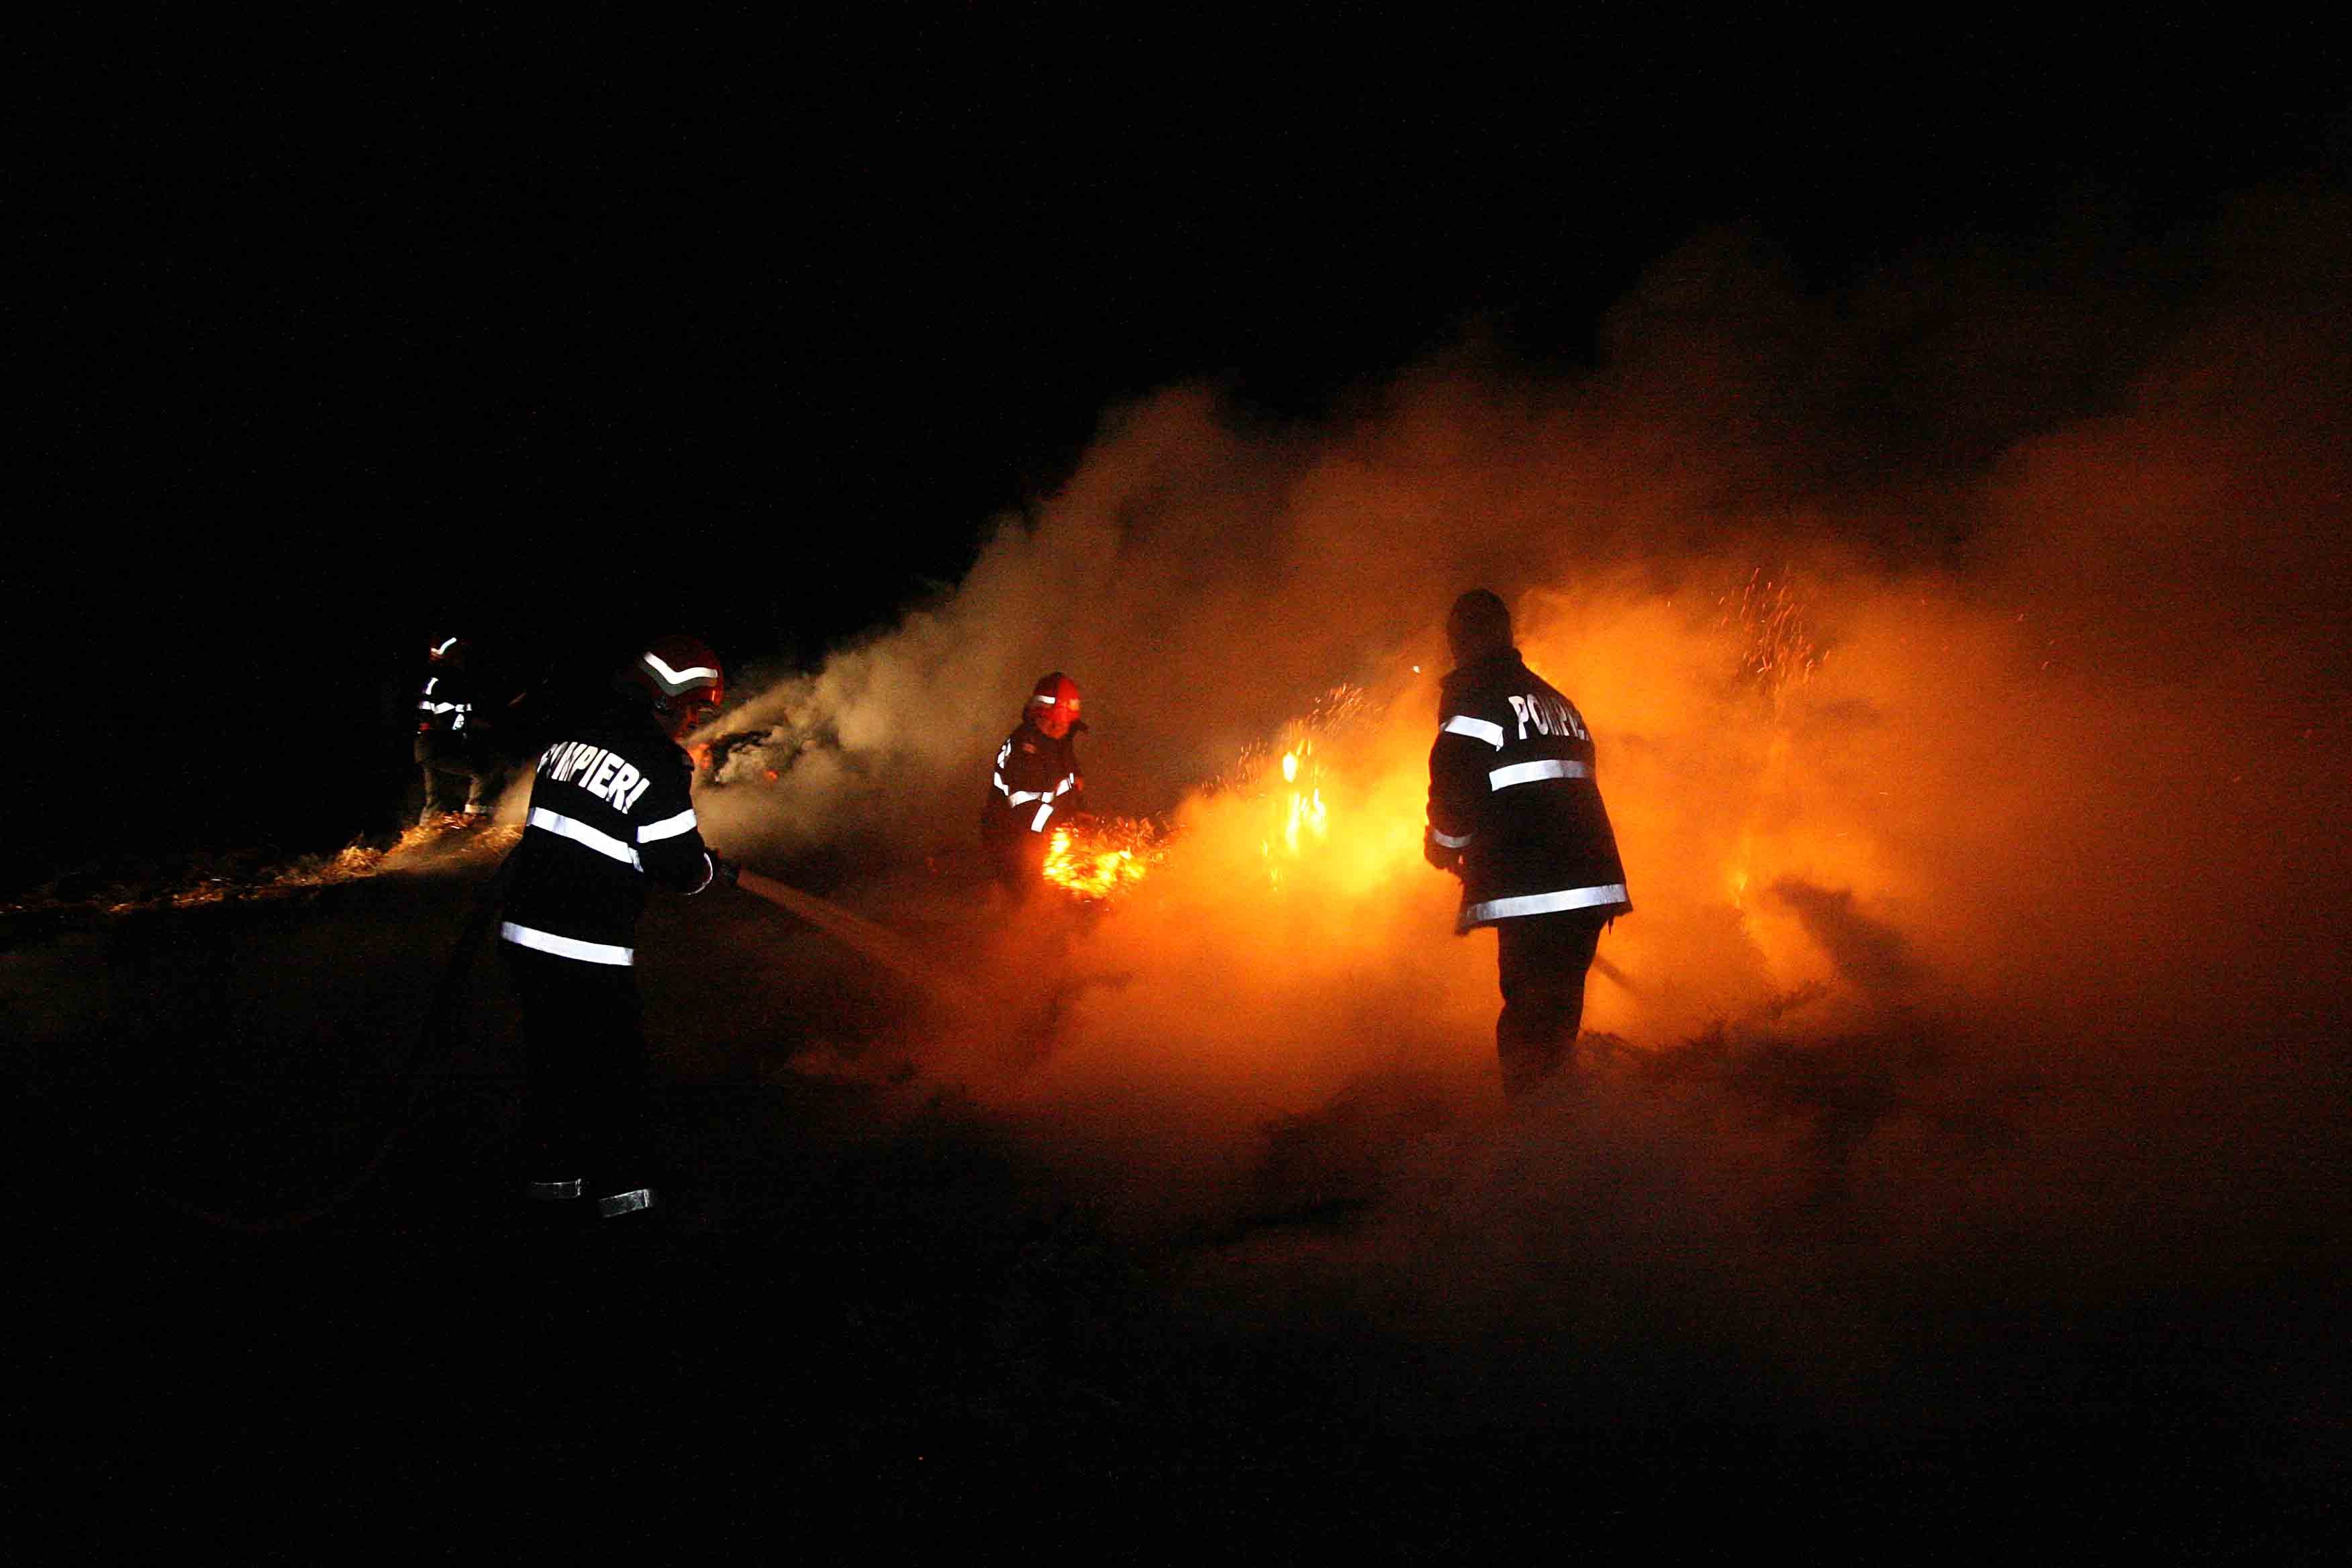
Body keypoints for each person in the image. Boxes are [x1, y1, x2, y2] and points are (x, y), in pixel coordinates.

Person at [497, 634, 737, 1220]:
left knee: (554, 1072)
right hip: (588, 950)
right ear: (666, 700)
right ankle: (629, 1211)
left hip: (525, 938)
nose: (692, 721)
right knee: (616, 1082)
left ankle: (553, 1196)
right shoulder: (657, 762)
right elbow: (678, 867)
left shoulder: (575, 731)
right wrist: (712, 871)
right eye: (692, 708)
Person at [1424, 590, 1630, 1100]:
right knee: (1556, 1022)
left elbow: (1454, 791)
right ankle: (1575, 1136)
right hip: (1586, 892)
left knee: (1528, 1030)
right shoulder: (1555, 702)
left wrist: (1446, 847)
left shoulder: (1476, 700)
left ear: (1461, 641)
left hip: (1537, 891)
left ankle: (1535, 1147)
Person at [982, 671, 1087, 897]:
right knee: (1030, 901)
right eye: (1054, 725)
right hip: (1013, 841)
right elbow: (1023, 809)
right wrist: (1059, 828)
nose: (1060, 730)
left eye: (1065, 726)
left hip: (1045, 838)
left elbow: (1069, 784)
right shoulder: (1022, 749)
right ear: (1039, 716)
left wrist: (1080, 814)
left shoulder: (1061, 742)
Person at [413, 635, 498, 826]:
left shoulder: (439, 683)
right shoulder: (443, 683)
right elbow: (448, 718)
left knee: (435, 796)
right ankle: (474, 818)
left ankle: (426, 829)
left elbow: (457, 717)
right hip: (435, 746)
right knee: (481, 771)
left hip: (426, 748)